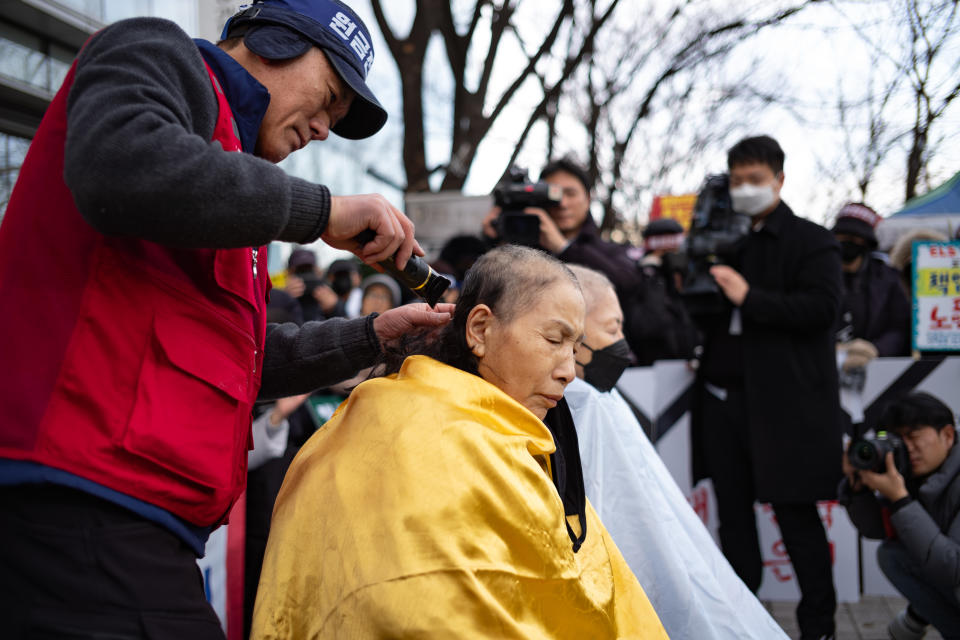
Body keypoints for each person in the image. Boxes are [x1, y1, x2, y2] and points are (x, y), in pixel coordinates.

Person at [0, 1, 453, 637]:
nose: (322, 129)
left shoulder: (241, 199)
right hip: (78, 499)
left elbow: (236, 359)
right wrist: (319, 211)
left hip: (137, 520)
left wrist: (373, 335)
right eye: (325, 98)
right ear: (271, 41)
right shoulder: (154, 50)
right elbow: (121, 162)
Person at [251, 245, 668, 639]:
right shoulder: (432, 435)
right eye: (553, 340)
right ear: (480, 328)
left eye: (574, 348)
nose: (568, 372)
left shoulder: (487, 431)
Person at [564, 265, 788, 639]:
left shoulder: (596, 398)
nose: (622, 342)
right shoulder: (584, 404)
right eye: (612, 328)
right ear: (573, 332)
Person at [693, 135, 843, 640]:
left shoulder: (812, 240)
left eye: (755, 181)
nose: (745, 190)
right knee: (733, 521)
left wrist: (750, 296)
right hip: (723, 401)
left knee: (796, 518)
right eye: (737, 182)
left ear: (779, 179)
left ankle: (818, 627)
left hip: (785, 408)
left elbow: (823, 310)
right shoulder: (726, 240)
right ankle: (744, 622)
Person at [839, 392, 960, 639]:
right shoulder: (911, 473)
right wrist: (858, 489)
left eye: (914, 437)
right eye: (897, 439)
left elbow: (954, 567)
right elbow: (877, 530)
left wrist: (901, 500)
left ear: (947, 435)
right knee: (892, 556)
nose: (907, 448)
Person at [481, 157, 643, 315]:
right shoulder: (520, 251)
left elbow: (627, 286)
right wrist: (492, 243)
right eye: (554, 194)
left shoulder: (612, 251)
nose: (562, 204)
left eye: (570, 194)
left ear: (587, 199)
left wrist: (563, 247)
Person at [831, 202, 911, 359]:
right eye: (843, 236)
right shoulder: (815, 272)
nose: (848, 242)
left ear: (866, 241)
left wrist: (876, 349)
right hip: (824, 365)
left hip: (877, 368)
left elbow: (901, 327)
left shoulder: (888, 279)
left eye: (855, 237)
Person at [626, 217, 700, 365]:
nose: (670, 257)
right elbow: (649, 324)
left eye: (674, 251)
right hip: (649, 365)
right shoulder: (638, 278)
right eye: (664, 252)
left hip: (686, 364)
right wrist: (651, 274)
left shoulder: (689, 277)